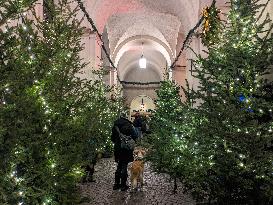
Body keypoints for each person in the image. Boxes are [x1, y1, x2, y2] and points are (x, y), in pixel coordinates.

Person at [111, 112, 138, 191]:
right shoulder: (129, 125)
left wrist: (117, 142)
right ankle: (123, 185)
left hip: (117, 148)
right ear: (126, 117)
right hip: (126, 148)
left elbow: (112, 138)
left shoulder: (115, 125)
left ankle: (116, 184)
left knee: (119, 165)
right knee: (124, 165)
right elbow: (135, 136)